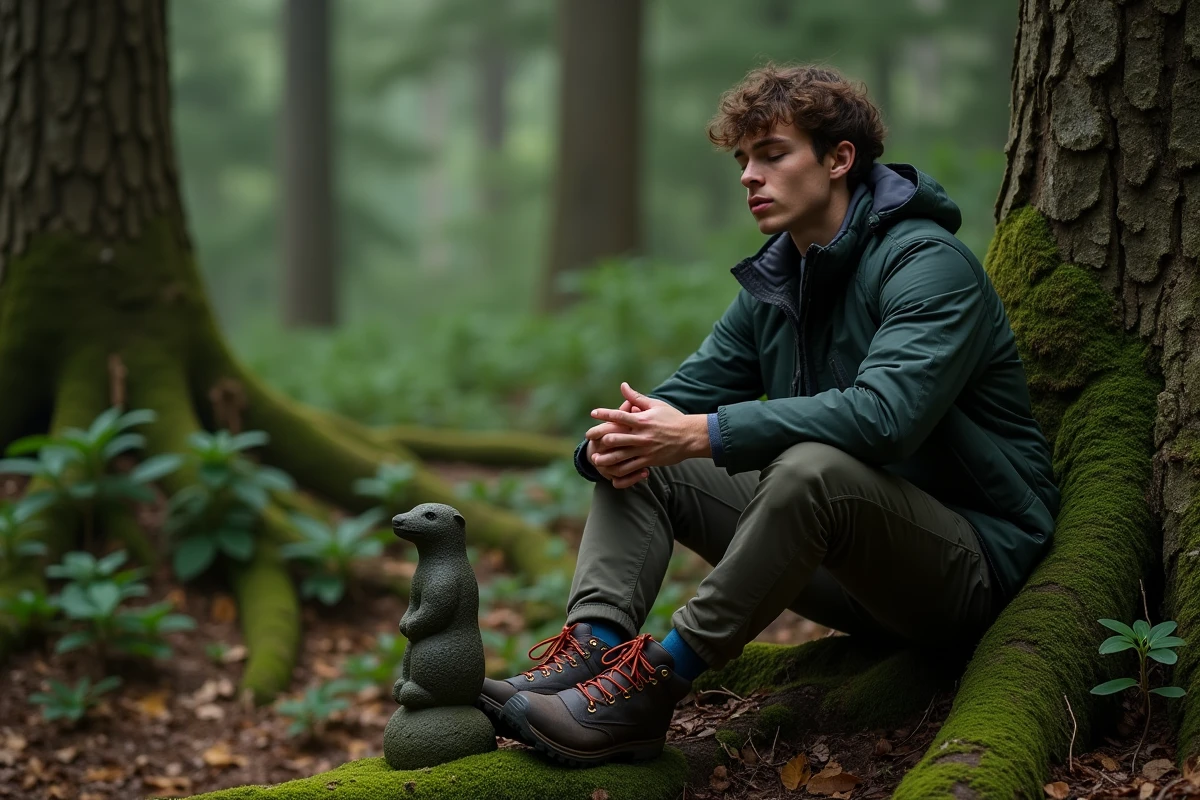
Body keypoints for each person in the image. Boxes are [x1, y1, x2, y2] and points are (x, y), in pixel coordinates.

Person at [476, 63, 1060, 767]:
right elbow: (676, 400)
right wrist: (609, 443)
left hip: (970, 569)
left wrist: (703, 434)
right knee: (645, 458)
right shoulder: (777, 281)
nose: (750, 176)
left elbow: (887, 420)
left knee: (810, 469)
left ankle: (653, 688)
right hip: (853, 570)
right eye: (743, 159)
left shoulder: (927, 265)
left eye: (773, 154)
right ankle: (590, 653)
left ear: (839, 158)